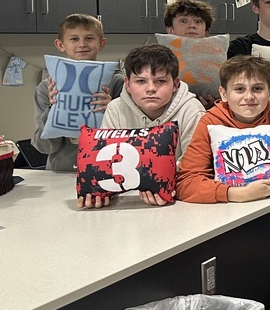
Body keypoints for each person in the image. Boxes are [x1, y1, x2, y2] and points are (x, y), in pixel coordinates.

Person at [175, 55, 270, 203]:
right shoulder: (210, 121)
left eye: (257, 89)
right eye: (239, 89)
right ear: (223, 94)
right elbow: (186, 183)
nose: (249, 96)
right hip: (226, 209)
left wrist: (267, 187)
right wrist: (237, 193)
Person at [85, 44, 206, 208]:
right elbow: (105, 163)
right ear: (127, 84)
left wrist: (157, 184)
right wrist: (103, 191)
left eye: (161, 81)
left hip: (177, 202)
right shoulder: (115, 109)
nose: (150, 89)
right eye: (140, 81)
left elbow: (193, 167)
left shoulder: (192, 111)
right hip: (128, 202)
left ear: (176, 83)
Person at [32, 13, 124, 173]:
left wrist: (113, 109)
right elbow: (43, 146)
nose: (82, 44)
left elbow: (132, 135)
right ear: (60, 45)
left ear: (101, 43)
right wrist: (53, 109)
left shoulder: (118, 83)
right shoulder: (46, 89)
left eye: (89, 38)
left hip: (108, 169)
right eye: (74, 39)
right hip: (61, 171)